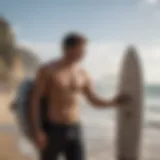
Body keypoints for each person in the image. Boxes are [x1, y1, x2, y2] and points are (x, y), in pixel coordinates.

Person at [29, 32, 129, 160]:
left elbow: (93, 99)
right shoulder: (48, 70)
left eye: (84, 50)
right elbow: (35, 100)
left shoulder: (83, 74)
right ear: (68, 49)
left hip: (75, 128)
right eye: (81, 49)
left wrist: (112, 102)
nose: (84, 53)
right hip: (53, 129)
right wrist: (36, 130)